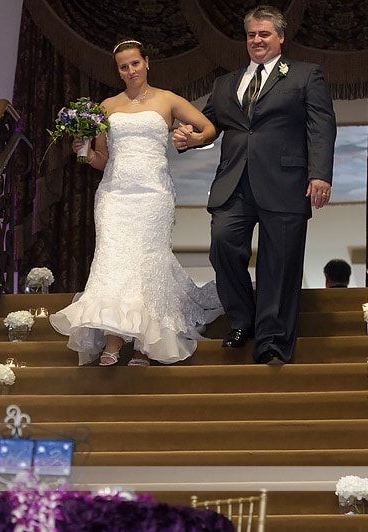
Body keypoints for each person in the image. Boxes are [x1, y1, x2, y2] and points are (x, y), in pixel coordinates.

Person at [172, 5, 336, 366]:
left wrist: (320, 173)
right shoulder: (224, 83)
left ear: (280, 37)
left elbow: (321, 127)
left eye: (264, 34)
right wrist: (188, 137)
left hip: (286, 183)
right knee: (223, 246)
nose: (257, 40)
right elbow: (208, 125)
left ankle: (273, 342)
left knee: (279, 264)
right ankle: (243, 321)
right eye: (251, 34)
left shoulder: (307, 75)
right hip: (234, 184)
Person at [49, 39, 223, 367]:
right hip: (114, 195)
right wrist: (82, 152)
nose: (130, 71)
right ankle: (113, 341)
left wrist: (194, 138)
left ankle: (145, 344)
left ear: (147, 62)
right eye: (123, 67)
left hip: (153, 195)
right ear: (118, 71)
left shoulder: (167, 99)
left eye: (135, 64)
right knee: (112, 263)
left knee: (145, 264)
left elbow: (209, 128)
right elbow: (101, 159)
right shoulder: (107, 106)